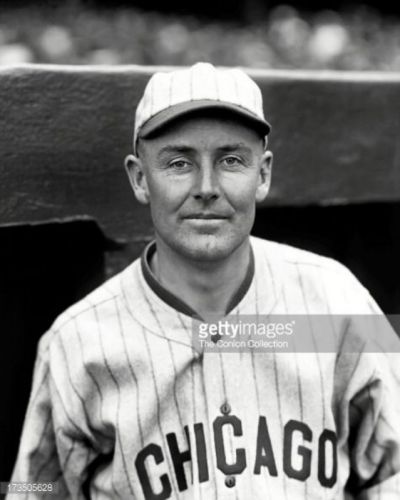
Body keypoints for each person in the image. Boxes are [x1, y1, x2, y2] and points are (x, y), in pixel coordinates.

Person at [9, 62, 400, 499]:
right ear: (140, 178)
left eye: (231, 160)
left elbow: (394, 473)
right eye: (179, 163)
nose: (207, 187)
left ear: (263, 174)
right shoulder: (74, 341)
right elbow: (31, 487)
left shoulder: (338, 300)